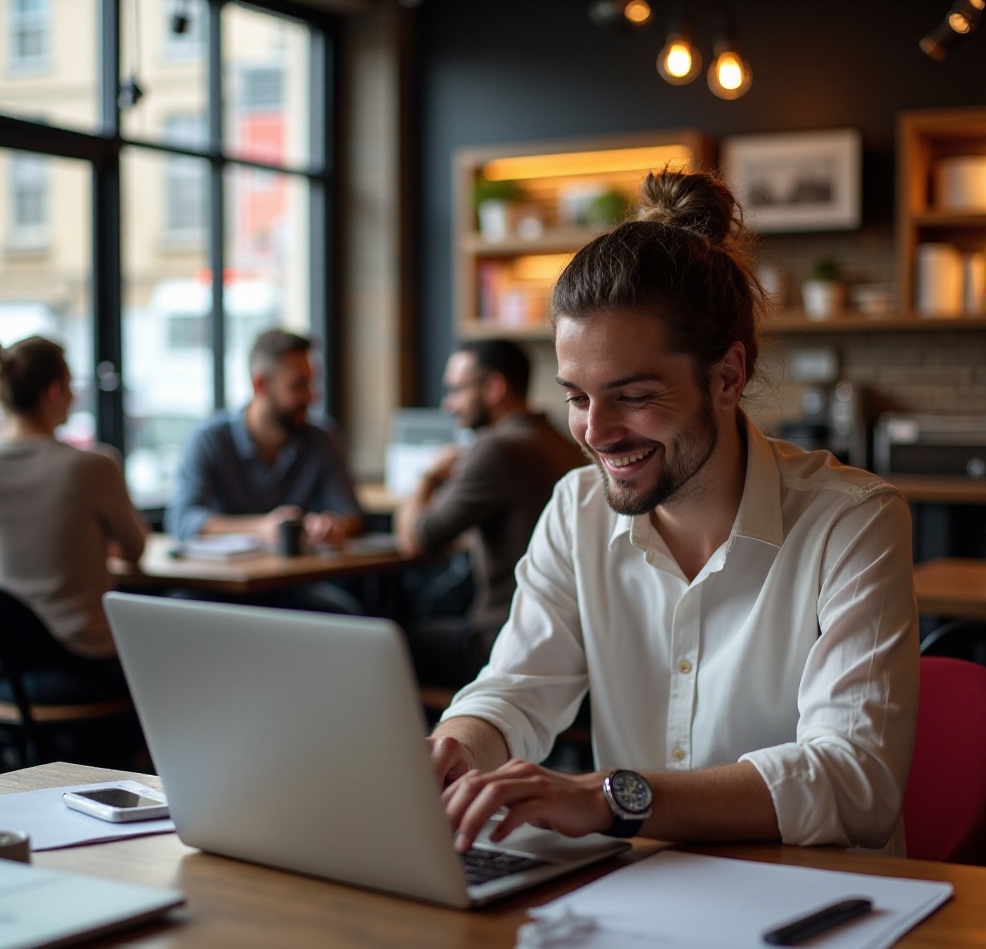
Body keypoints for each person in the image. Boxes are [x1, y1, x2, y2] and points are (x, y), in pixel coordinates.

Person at [430, 170, 920, 858]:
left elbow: (854, 782)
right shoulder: (576, 512)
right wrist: (457, 749)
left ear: (727, 376)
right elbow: (515, 690)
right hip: (637, 900)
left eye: (631, 396)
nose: (596, 433)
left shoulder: (854, 520)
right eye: (577, 397)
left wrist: (607, 798)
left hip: (816, 912)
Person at [395, 339, 584, 695]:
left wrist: (429, 476)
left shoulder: (496, 449)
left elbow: (415, 542)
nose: (447, 404)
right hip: (565, 641)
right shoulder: (561, 442)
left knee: (388, 647)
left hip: (503, 639)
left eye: (456, 390)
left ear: (494, 387)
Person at [165, 328, 365, 612]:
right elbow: (182, 519)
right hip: (223, 590)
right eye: (298, 386)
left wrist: (332, 526)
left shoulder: (322, 439)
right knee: (176, 612)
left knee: (348, 616)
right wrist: (262, 527)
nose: (312, 396)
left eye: (312, 383)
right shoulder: (211, 439)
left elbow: (351, 514)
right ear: (260, 385)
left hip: (291, 587)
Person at [0, 335, 147, 703]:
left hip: (6, 668)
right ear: (54, 392)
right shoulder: (92, 466)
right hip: (85, 660)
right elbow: (134, 549)